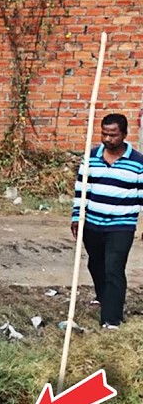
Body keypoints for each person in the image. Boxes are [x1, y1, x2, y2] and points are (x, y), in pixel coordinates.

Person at [71, 112, 143, 329]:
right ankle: (105, 298)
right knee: (96, 263)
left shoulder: (138, 163)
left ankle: (111, 319)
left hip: (121, 225)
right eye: (104, 134)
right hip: (92, 221)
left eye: (113, 135)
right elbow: (82, 189)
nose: (108, 139)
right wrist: (77, 216)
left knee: (114, 267)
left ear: (124, 134)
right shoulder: (91, 157)